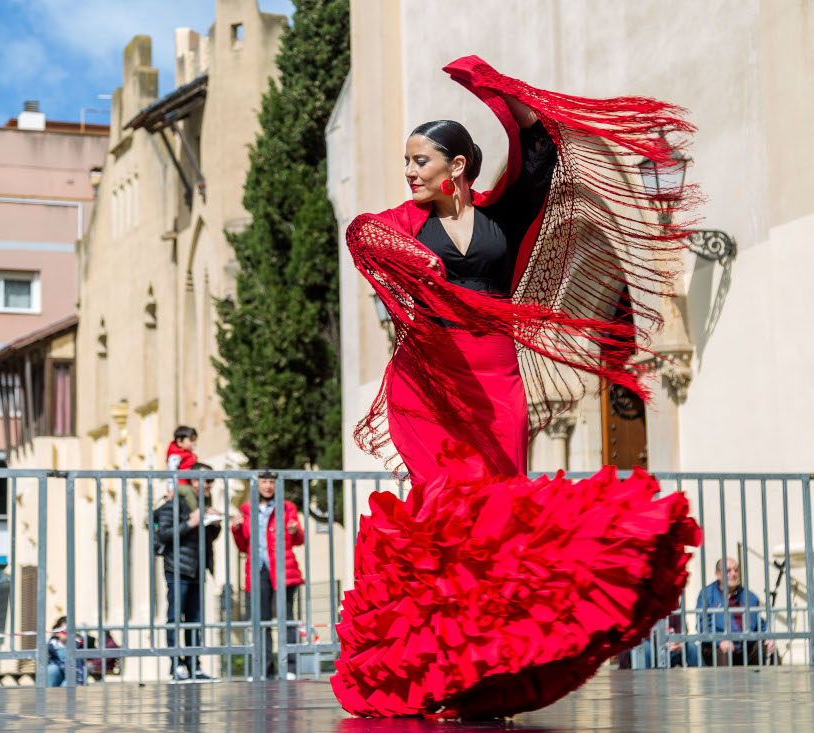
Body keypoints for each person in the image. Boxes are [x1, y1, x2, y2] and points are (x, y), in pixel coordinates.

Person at [331, 56, 702, 719]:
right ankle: (429, 659)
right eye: (408, 161)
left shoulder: (504, 216)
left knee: (501, 512)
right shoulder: (405, 222)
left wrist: (496, 90)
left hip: (497, 379)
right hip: (432, 378)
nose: (410, 171)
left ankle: (490, 665)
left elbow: (538, 152)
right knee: (445, 513)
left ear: (457, 169)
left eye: (421, 161)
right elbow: (361, 232)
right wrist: (406, 258)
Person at [230, 470, 305, 680]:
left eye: (271, 482)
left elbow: (299, 539)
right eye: (264, 482)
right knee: (260, 620)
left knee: (286, 618)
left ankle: (290, 667)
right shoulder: (247, 509)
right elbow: (243, 546)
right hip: (258, 568)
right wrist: (236, 530)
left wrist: (294, 531)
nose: (268, 486)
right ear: (257, 485)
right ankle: (264, 669)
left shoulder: (287, 507)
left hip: (283, 568)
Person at [155, 461, 221, 682]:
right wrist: (190, 524)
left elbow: (209, 538)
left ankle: (194, 666)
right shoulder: (175, 502)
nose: (209, 486)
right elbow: (163, 534)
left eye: (212, 481)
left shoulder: (204, 503)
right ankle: (176, 665)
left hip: (197, 567)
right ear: (193, 481)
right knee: (175, 616)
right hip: (177, 567)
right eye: (206, 481)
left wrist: (214, 524)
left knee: (195, 619)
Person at [696, 557, 778, 667]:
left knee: (768, 649)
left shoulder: (750, 596)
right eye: (728, 571)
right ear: (718, 574)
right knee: (724, 652)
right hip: (718, 647)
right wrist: (720, 640)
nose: (733, 574)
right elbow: (702, 624)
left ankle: (768, 683)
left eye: (736, 570)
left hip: (745, 646)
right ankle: (726, 685)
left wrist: (768, 637)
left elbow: (759, 623)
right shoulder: (707, 595)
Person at [617, 612, 701, 669]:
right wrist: (664, 641)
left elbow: (682, 626)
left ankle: (703, 682)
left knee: (692, 647)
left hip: (671, 647)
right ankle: (645, 688)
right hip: (650, 646)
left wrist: (677, 641)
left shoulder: (670, 598)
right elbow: (640, 631)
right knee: (645, 648)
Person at [166, 425, 199, 512]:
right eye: (191, 440)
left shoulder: (188, 454)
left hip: (187, 482)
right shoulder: (175, 456)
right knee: (188, 491)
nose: (193, 443)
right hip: (179, 484)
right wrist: (171, 489)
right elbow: (171, 473)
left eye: (194, 440)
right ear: (180, 441)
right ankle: (196, 513)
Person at [46, 616, 85, 687]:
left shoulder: (77, 645)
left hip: (73, 674)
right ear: (57, 633)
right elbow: (50, 661)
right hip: (58, 673)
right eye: (64, 630)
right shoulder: (52, 645)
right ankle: (49, 692)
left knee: (67, 685)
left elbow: (80, 664)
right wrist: (63, 667)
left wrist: (79, 681)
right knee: (51, 669)